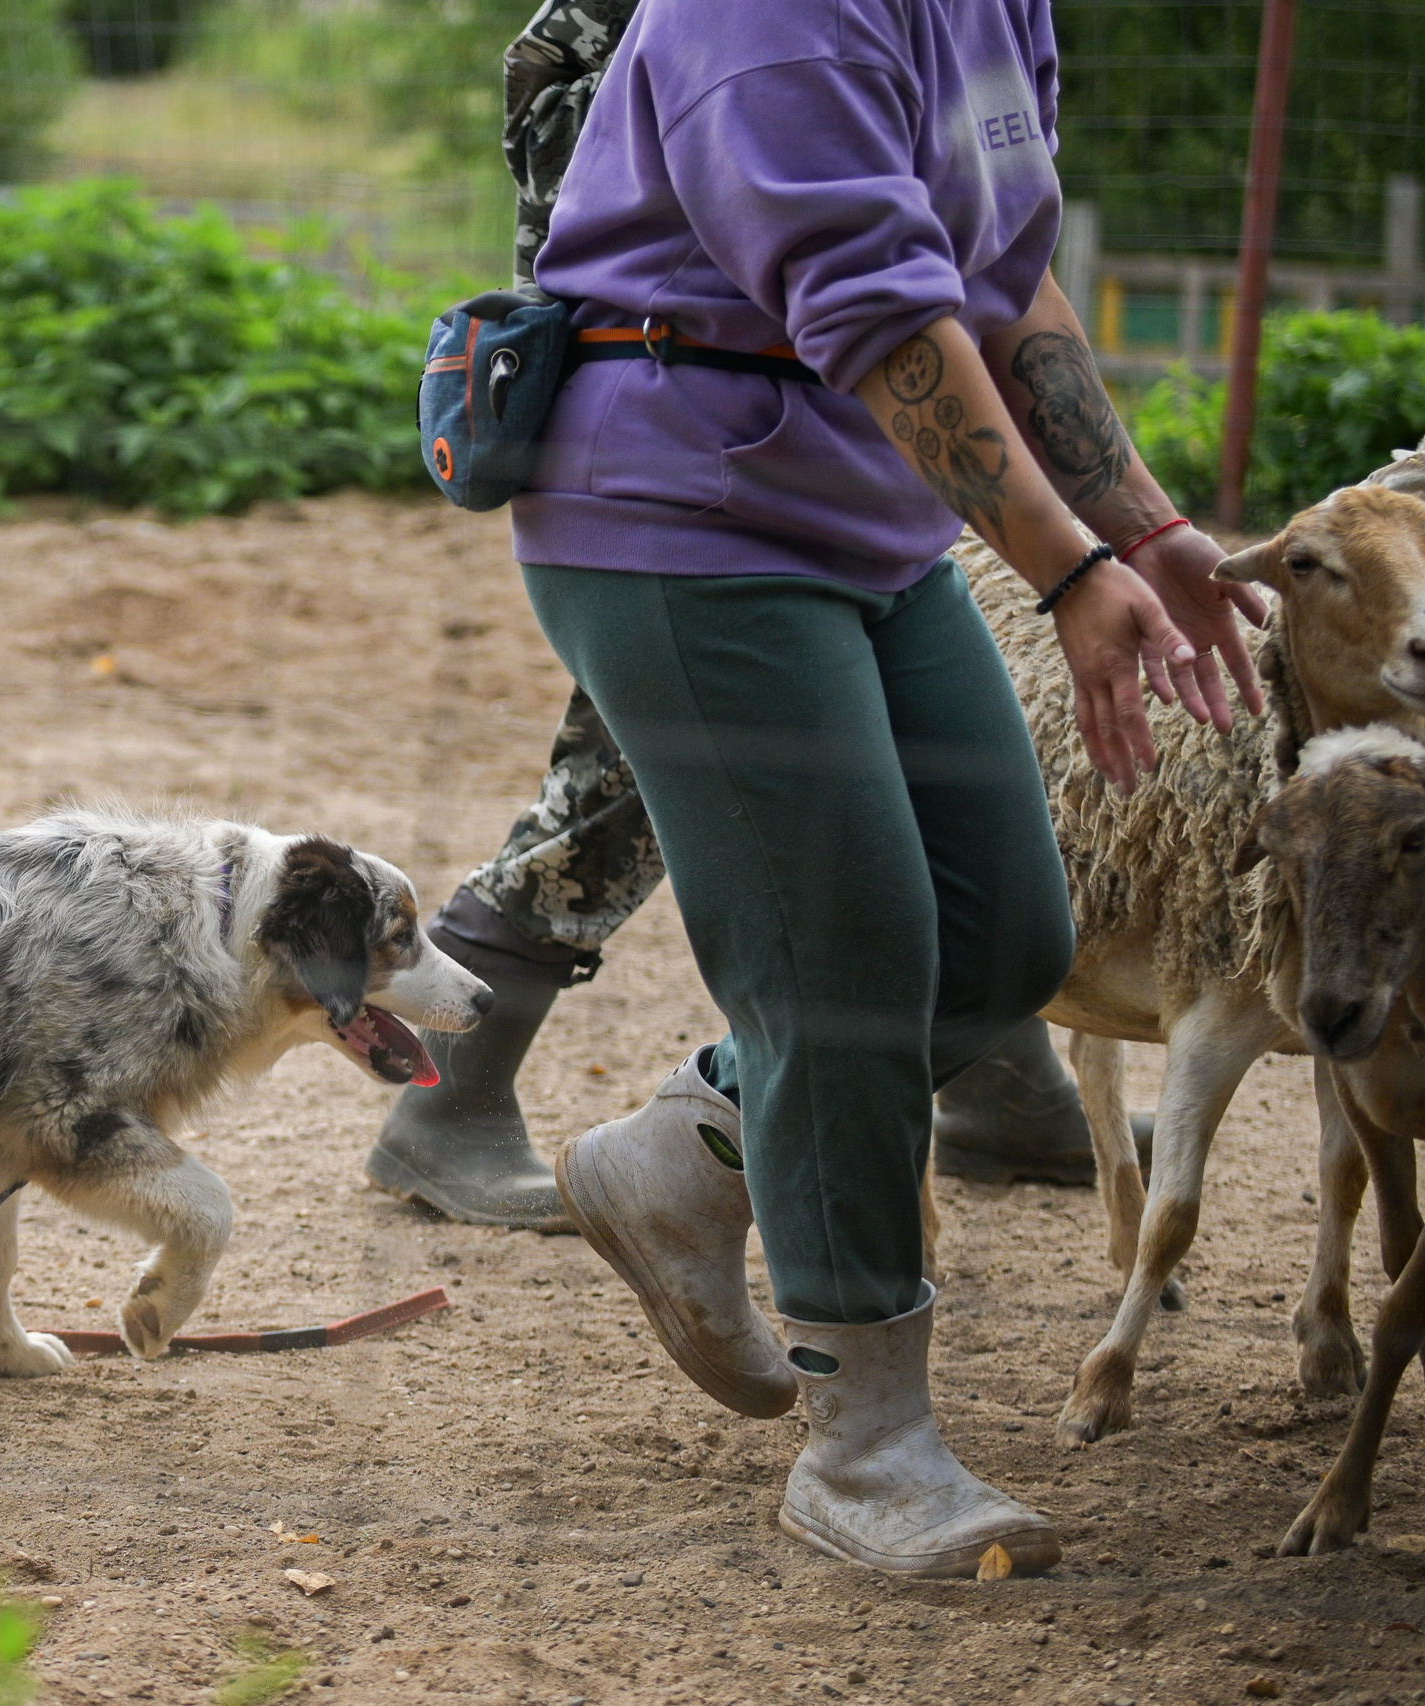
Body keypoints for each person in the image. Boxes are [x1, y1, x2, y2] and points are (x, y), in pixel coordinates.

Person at [479, 0, 1265, 1576]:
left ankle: (691, 1142)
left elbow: (1000, 273)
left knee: (1004, 936)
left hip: (865, 520)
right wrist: (1065, 568)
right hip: (681, 509)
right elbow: (879, 312)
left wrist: (1144, 522)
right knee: (841, 968)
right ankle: (865, 1446)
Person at [370, 0, 1143, 1232]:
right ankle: (452, 1098)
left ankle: (1005, 1085)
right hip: (693, 431)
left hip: (830, 463)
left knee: (884, 814)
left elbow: (982, 237)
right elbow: (852, 272)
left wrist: (1127, 529)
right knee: (638, 774)